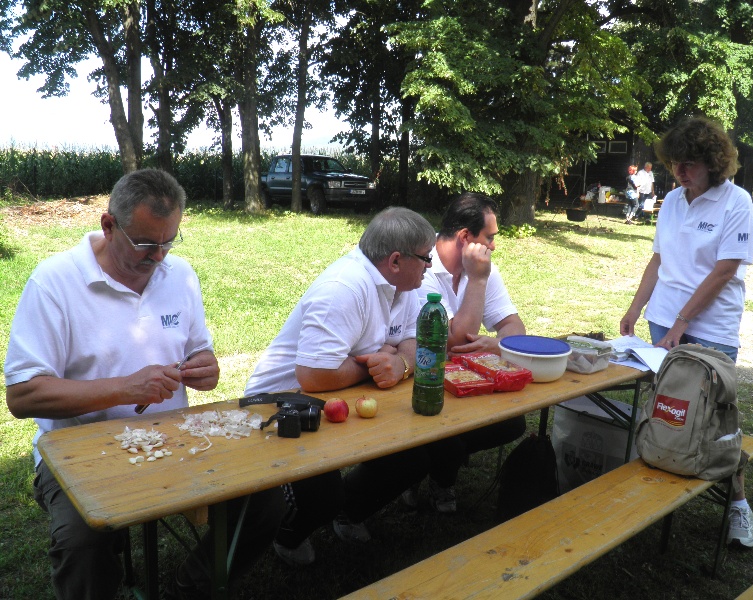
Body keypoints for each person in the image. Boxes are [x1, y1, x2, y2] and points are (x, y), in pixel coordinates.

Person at [4, 169, 284, 600]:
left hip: (179, 440)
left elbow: (202, 354)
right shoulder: (55, 282)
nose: (158, 256)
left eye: (169, 241)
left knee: (266, 500)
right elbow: (22, 396)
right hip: (79, 450)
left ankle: (190, 586)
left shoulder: (180, 275)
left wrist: (206, 369)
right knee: (83, 543)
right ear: (108, 225)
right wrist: (124, 389)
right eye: (145, 244)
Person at [244, 206, 437, 566]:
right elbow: (313, 375)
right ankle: (288, 532)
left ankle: (347, 514)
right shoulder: (344, 288)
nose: (430, 266)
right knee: (323, 494)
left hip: (336, 399)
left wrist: (400, 362)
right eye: (426, 258)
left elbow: (414, 339)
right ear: (396, 260)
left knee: (414, 458)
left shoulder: (404, 286)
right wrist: (375, 367)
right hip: (275, 409)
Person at [619, 116, 753, 548]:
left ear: (713, 162)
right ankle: (654, 485)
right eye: (675, 162)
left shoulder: (736, 202)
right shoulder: (673, 202)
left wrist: (682, 323)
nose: (680, 171)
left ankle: (737, 503)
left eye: (689, 163)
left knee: (716, 417)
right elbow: (658, 260)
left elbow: (724, 271)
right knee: (667, 407)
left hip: (711, 328)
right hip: (663, 321)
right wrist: (635, 308)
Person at [404, 192, 527, 513]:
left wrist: (498, 344)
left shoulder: (482, 268)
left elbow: (515, 326)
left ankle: (437, 464)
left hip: (462, 380)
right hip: (423, 380)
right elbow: (454, 341)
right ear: (464, 237)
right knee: (450, 437)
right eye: (489, 237)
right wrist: (477, 279)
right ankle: (432, 473)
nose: (493, 246)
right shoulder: (423, 266)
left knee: (512, 424)